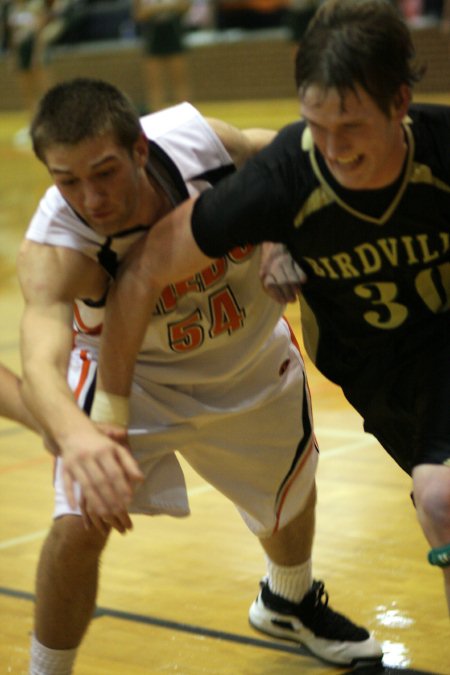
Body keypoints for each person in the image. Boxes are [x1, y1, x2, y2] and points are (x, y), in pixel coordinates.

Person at [93, 0, 450, 622]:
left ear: (400, 103)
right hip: (375, 372)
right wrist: (111, 415)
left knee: (443, 500)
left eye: (352, 127)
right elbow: (143, 270)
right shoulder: (287, 176)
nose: (333, 150)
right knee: (441, 505)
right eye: (318, 127)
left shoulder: (443, 151)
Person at [18, 77, 382, 674]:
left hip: (243, 354)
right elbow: (39, 359)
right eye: (68, 180)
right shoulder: (58, 246)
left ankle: (287, 601)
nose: (91, 196)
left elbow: (296, 160)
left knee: (288, 498)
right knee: (81, 521)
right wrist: (79, 435)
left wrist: (281, 236)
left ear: (138, 148)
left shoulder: (200, 146)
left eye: (104, 171)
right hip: (131, 380)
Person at [133, 0, 191, 111]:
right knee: (154, 84)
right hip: (153, 35)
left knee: (180, 80)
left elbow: (185, 6)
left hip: (174, 33)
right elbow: (139, 14)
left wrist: (157, 9)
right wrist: (163, 8)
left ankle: (186, 114)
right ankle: (156, 115)